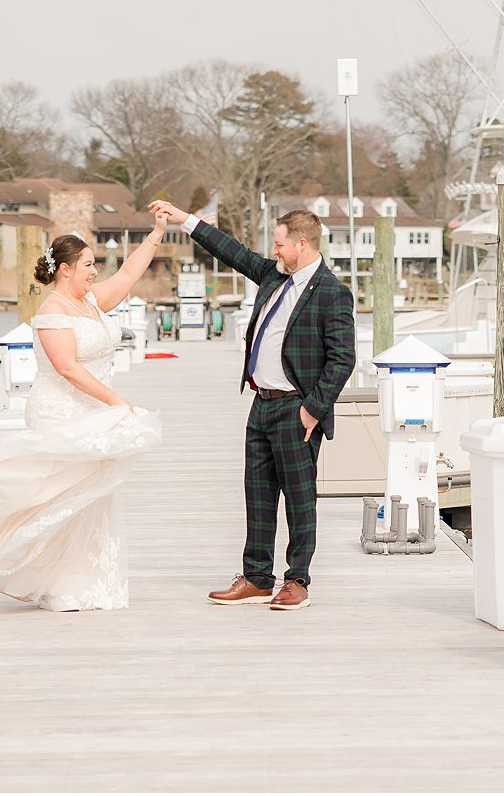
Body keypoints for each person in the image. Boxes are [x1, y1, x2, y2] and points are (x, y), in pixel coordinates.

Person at [0, 217, 166, 611]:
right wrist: (116, 400)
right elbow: (68, 368)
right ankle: (45, 577)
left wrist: (155, 233)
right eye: (87, 265)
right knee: (53, 497)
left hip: (93, 409)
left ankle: (82, 581)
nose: (94, 271)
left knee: (90, 497)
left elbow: (127, 274)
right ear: (66, 270)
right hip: (61, 411)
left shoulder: (89, 302)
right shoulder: (53, 311)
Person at [149, 201, 355, 610]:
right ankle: (258, 578)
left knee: (299, 500)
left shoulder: (332, 292)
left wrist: (313, 410)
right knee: (257, 496)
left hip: (298, 410)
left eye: (279, 244)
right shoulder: (274, 276)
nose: (273, 251)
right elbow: (233, 251)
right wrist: (185, 219)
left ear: (301, 243)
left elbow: (342, 358)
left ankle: (296, 581)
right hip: (261, 405)